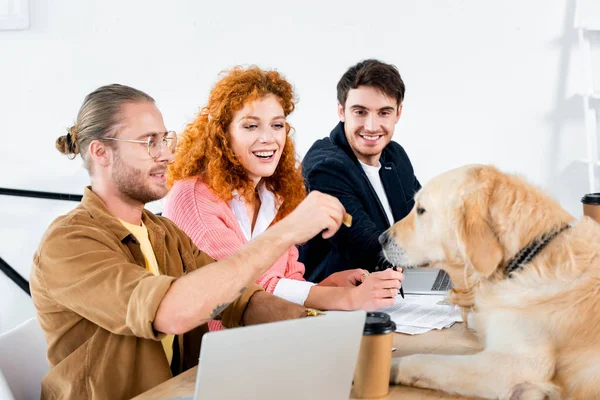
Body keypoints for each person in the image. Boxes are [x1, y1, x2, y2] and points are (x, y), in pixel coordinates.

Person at [29, 84, 350, 400]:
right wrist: (286, 232)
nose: (167, 154)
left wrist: (321, 331)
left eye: (165, 139)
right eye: (148, 143)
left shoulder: (164, 232)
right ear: (101, 152)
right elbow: (170, 312)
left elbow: (241, 300)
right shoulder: (69, 242)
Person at [164, 66, 402, 331]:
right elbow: (239, 288)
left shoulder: (275, 196)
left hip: (272, 345)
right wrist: (343, 298)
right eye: (251, 126)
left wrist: (326, 286)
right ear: (222, 134)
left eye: (277, 125)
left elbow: (286, 281)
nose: (268, 139)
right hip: (216, 358)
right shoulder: (193, 197)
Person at [299, 59, 421, 282]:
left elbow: (424, 219)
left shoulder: (395, 156)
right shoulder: (326, 168)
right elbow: (365, 247)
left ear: (398, 113)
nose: (372, 126)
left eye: (384, 113)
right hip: (340, 301)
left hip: (397, 287)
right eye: (360, 112)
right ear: (341, 111)